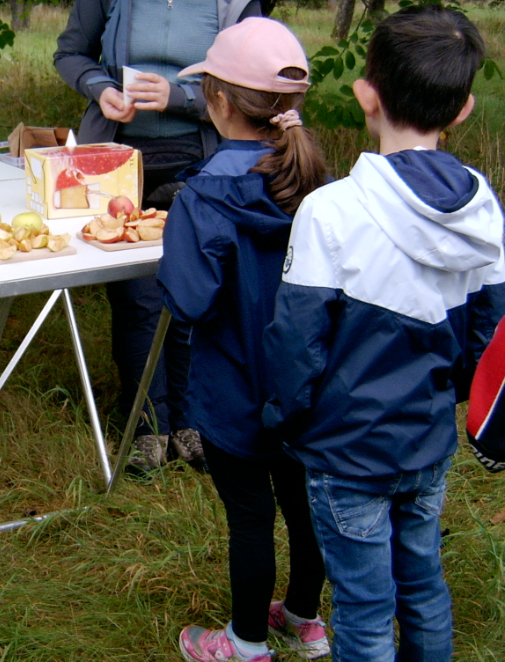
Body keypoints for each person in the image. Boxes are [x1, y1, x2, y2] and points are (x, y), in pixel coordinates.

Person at [262, 6, 505, 661]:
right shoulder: (485, 207)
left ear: (366, 94)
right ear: (462, 110)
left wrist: (285, 419)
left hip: (345, 453)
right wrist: (441, 396)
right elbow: (488, 337)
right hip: (427, 440)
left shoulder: (331, 212)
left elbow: (295, 344)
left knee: (366, 610)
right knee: (423, 585)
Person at [154, 18, 330, 662]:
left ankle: (247, 642)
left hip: (234, 390)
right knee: (305, 503)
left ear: (218, 101)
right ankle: (305, 620)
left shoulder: (204, 197)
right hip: (307, 383)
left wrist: (174, 235)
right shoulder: (312, 180)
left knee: (250, 516)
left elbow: (189, 299)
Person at [54, 0, 262, 473]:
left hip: (203, 164)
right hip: (119, 165)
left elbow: (254, 87)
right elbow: (70, 54)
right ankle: (147, 426)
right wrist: (99, 86)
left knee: (198, 292)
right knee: (138, 296)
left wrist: (182, 97)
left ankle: (193, 422)